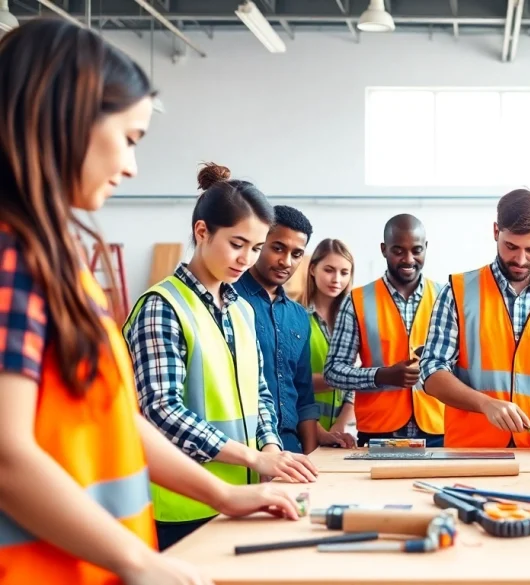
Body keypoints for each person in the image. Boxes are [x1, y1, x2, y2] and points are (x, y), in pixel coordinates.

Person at [0, 19, 301, 585]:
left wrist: (225, 494)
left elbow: (118, 418)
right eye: (130, 139)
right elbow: (6, 455)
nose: (133, 166)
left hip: (94, 562)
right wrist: (138, 559)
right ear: (66, 119)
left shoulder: (57, 263)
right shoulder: (11, 259)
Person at [124, 163, 318, 551]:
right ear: (202, 232)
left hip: (247, 498)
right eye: (237, 243)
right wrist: (253, 458)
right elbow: (161, 411)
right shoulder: (162, 306)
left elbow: (260, 394)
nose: (247, 258)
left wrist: (272, 451)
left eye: (257, 247)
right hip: (184, 507)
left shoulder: (240, 310)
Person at [420, 189, 530, 451]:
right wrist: (485, 403)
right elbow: (432, 369)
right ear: (496, 231)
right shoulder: (458, 292)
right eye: (511, 246)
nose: (520, 259)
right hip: (470, 451)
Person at [324, 214, 446, 447]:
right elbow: (333, 371)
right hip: (380, 434)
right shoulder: (358, 301)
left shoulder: (445, 298)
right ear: (384, 249)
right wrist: (381, 376)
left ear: (426, 248)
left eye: (417, 250)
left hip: (438, 430)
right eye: (398, 250)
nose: (408, 259)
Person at [235, 205, 320, 455]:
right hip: (245, 446)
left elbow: (304, 395)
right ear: (260, 243)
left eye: (297, 254)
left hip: (291, 448)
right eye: (278, 248)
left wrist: (312, 458)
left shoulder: (298, 316)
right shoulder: (228, 300)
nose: (286, 261)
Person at [302, 237, 357, 447]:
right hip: (304, 431)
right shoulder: (296, 316)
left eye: (344, 272)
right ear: (313, 269)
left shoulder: (353, 318)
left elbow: (354, 384)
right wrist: (318, 431)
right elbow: (292, 383)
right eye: (329, 270)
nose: (336, 279)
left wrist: (339, 427)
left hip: (341, 432)